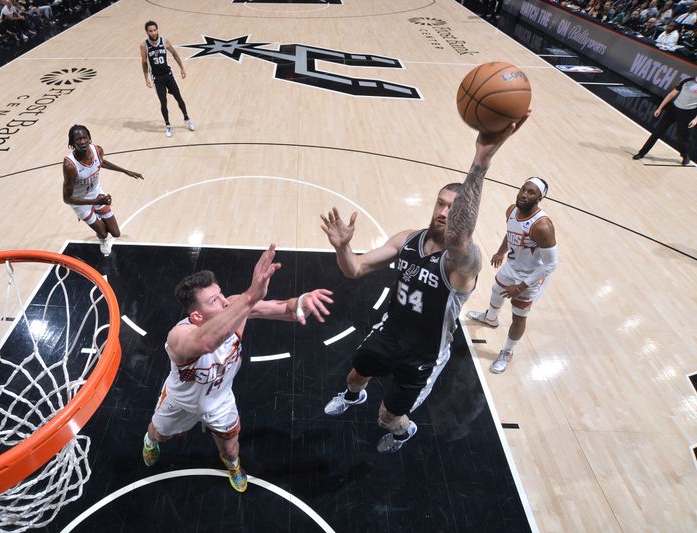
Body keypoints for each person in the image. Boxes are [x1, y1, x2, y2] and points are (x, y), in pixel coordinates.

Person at [320, 113, 530, 453]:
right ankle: (352, 397)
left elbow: (460, 237)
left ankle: (403, 431)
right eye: (441, 204)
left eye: (454, 207)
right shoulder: (406, 239)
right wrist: (343, 247)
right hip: (390, 333)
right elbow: (354, 270)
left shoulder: (462, 262)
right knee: (355, 376)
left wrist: (481, 161)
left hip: (424, 355)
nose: (444, 212)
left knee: (388, 418)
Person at [142, 246, 334, 492]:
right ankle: (150, 441)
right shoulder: (179, 336)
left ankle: (232, 465)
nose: (224, 302)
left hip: (220, 399)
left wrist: (302, 302)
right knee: (159, 434)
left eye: (220, 294)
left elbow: (284, 309)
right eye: (214, 301)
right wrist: (251, 296)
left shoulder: (235, 305)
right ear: (197, 316)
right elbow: (207, 342)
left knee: (230, 446)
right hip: (180, 401)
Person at [466, 178, 558, 374]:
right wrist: (501, 252)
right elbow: (511, 233)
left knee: (518, 316)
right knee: (496, 290)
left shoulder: (543, 226)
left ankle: (507, 352)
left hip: (532, 275)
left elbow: (551, 264)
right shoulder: (511, 211)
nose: (524, 194)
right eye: (523, 189)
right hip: (513, 265)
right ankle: (490, 318)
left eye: (531, 192)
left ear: (540, 198)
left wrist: (522, 286)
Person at [62, 124, 144, 255]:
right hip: (79, 201)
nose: (82, 141)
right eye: (78, 139)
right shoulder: (69, 165)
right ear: (72, 142)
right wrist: (94, 202)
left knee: (116, 233)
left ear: (89, 138)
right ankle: (102, 237)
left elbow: (101, 162)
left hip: (96, 192)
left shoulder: (97, 150)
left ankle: (98, 217)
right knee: (104, 233)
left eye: (85, 137)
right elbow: (67, 199)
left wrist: (125, 171)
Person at [140, 20, 195, 138]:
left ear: (157, 30)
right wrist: (146, 78)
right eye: (151, 31)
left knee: (179, 98)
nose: (153, 33)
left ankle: (187, 118)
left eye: (155, 30)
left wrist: (182, 68)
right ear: (147, 32)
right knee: (163, 102)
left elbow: (174, 54)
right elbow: (144, 63)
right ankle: (168, 125)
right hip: (157, 78)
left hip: (168, 75)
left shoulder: (164, 41)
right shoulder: (144, 45)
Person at [633, 74, 697, 165]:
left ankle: (685, 155)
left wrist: (695, 119)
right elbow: (671, 94)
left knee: (683, 137)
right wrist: (660, 108)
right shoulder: (686, 81)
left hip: (687, 114)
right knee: (657, 132)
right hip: (673, 110)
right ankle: (641, 153)